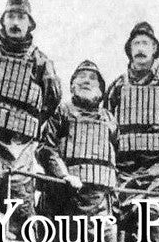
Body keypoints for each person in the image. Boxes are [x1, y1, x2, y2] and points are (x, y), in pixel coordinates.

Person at [0, 0, 63, 238]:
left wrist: (29, 124)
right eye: (11, 16)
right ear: (3, 21)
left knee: (21, 202)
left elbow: (52, 98)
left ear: (30, 24)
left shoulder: (41, 61)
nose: (15, 22)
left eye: (21, 17)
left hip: (21, 145)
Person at [105, 21, 159, 195]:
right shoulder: (117, 87)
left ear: (154, 49)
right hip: (125, 168)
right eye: (136, 44)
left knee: (152, 214)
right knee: (124, 217)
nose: (140, 48)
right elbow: (105, 125)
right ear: (130, 50)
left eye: (145, 43)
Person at [37, 60, 118, 232]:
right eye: (81, 76)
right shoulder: (62, 112)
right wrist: (64, 175)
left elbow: (118, 156)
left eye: (92, 78)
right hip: (64, 196)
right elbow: (46, 148)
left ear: (101, 88)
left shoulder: (110, 120)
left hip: (99, 202)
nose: (86, 81)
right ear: (72, 86)